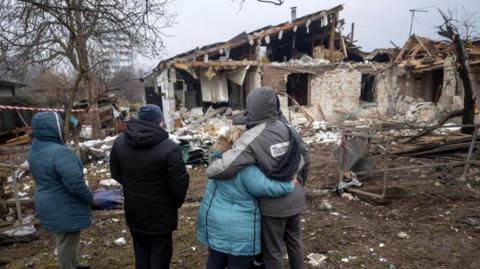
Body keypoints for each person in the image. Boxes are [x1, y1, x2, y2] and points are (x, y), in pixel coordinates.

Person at [207, 87, 310, 269]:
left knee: (273, 250)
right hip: (296, 197)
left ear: (252, 107)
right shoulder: (288, 128)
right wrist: (301, 182)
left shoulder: (252, 137)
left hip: (273, 206)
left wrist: (212, 165)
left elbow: (226, 167)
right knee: (295, 242)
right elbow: (305, 156)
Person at [197, 128, 297, 269]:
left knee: (215, 258)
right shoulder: (245, 168)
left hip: (213, 222)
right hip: (238, 229)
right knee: (238, 261)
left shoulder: (217, 160)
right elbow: (265, 186)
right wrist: (289, 185)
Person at [110, 104, 189, 269]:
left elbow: (116, 173)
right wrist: (174, 204)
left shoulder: (119, 142)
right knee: (160, 254)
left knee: (141, 252)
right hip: (161, 214)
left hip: (134, 210)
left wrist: (134, 187)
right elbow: (179, 184)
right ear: (160, 121)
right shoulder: (170, 148)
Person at [28, 112, 93, 269]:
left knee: (65, 238)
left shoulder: (35, 149)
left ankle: (74, 264)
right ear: (54, 128)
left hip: (48, 201)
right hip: (63, 204)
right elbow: (75, 184)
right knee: (66, 242)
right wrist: (90, 198)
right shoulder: (59, 152)